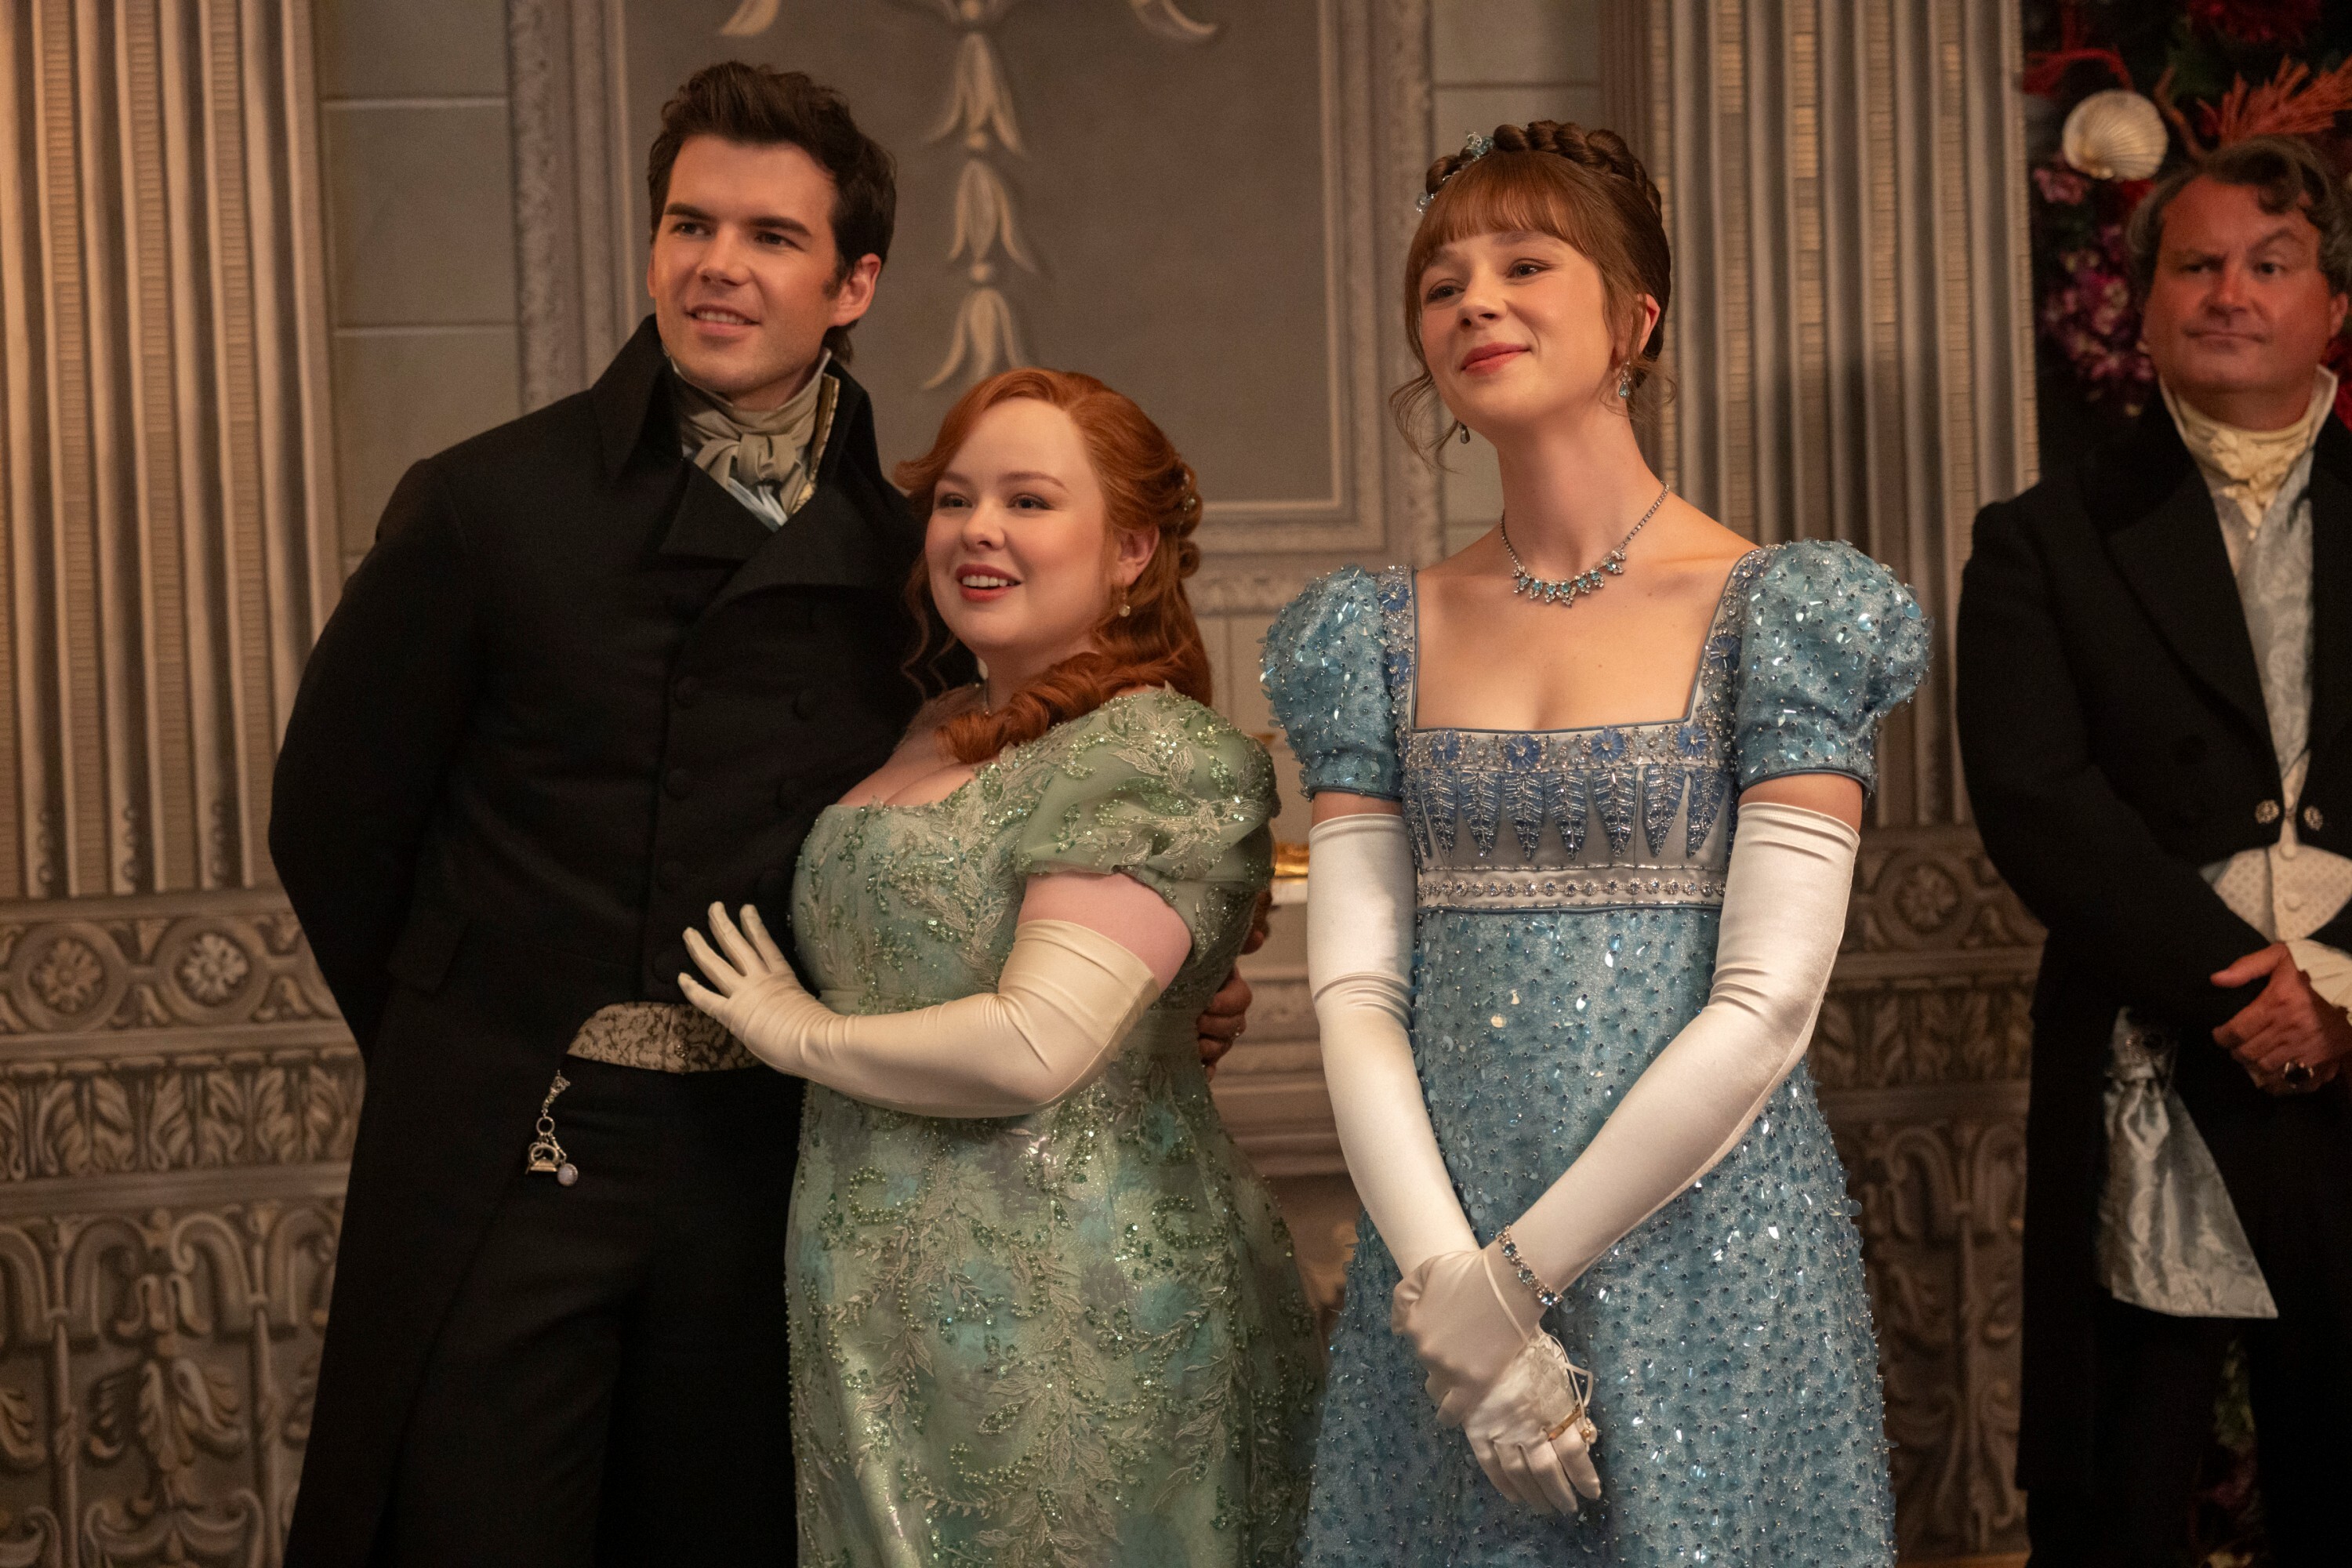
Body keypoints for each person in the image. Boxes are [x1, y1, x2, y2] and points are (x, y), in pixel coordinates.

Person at [270, 64, 1254, 1567]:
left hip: (775, 1158)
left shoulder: (907, 554)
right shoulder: (487, 505)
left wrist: (1167, 987)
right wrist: (464, 1042)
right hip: (519, 1143)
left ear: (853, 283)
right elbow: (332, 823)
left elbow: (1009, 811)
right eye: (690, 225)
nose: (718, 264)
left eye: (772, 237)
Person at [1261, 122, 1924, 1565]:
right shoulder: (1373, 635)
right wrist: (1452, 1294)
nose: (1475, 303)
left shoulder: (1781, 612)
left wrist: (1515, 1287)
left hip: (1703, 1239)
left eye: (1524, 264)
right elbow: (1357, 990)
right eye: (1441, 283)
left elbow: (1768, 1005)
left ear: (1636, 317)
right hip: (1440, 1243)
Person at [678, 366, 1323, 1565]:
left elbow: (1037, 1044)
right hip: (870, 1304)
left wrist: (795, 1032)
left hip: (1080, 1307)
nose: (979, 529)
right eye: (956, 499)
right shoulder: (922, 725)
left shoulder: (1154, 752)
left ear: (1131, 549)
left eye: (1029, 501)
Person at [1958, 134, 2352, 1568]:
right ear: (2143, 303)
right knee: (2123, 1483)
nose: (2230, 293)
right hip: (2159, 1035)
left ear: (2333, 303)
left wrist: (2342, 994)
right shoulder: (2042, 540)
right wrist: (2249, 987)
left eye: (2270, 263)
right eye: (2196, 265)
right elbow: (2036, 799)